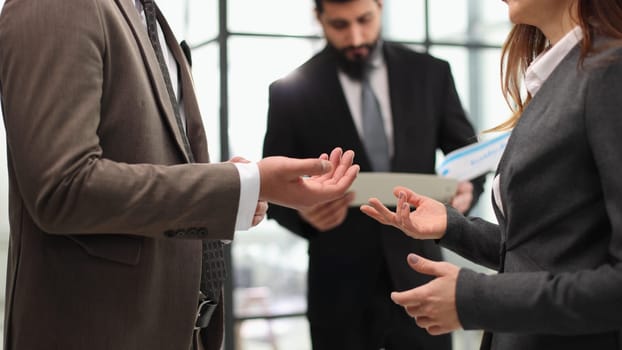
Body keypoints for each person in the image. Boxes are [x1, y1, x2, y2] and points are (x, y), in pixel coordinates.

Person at [0, 0, 361, 349]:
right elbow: (63, 187)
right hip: (101, 331)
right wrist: (240, 186)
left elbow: (149, 161)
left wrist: (235, 190)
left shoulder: (148, 16)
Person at [361, 0, 622, 349]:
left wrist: (474, 298)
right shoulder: (564, 75)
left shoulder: (609, 71)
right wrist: (452, 226)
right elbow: (546, 250)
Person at [262, 0, 484, 349]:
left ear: (380, 6)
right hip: (338, 289)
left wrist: (467, 190)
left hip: (422, 276)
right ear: (318, 17)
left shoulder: (431, 73)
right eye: (339, 25)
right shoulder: (288, 92)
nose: (355, 36)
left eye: (364, 20)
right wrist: (303, 214)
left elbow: (467, 158)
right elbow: (273, 192)